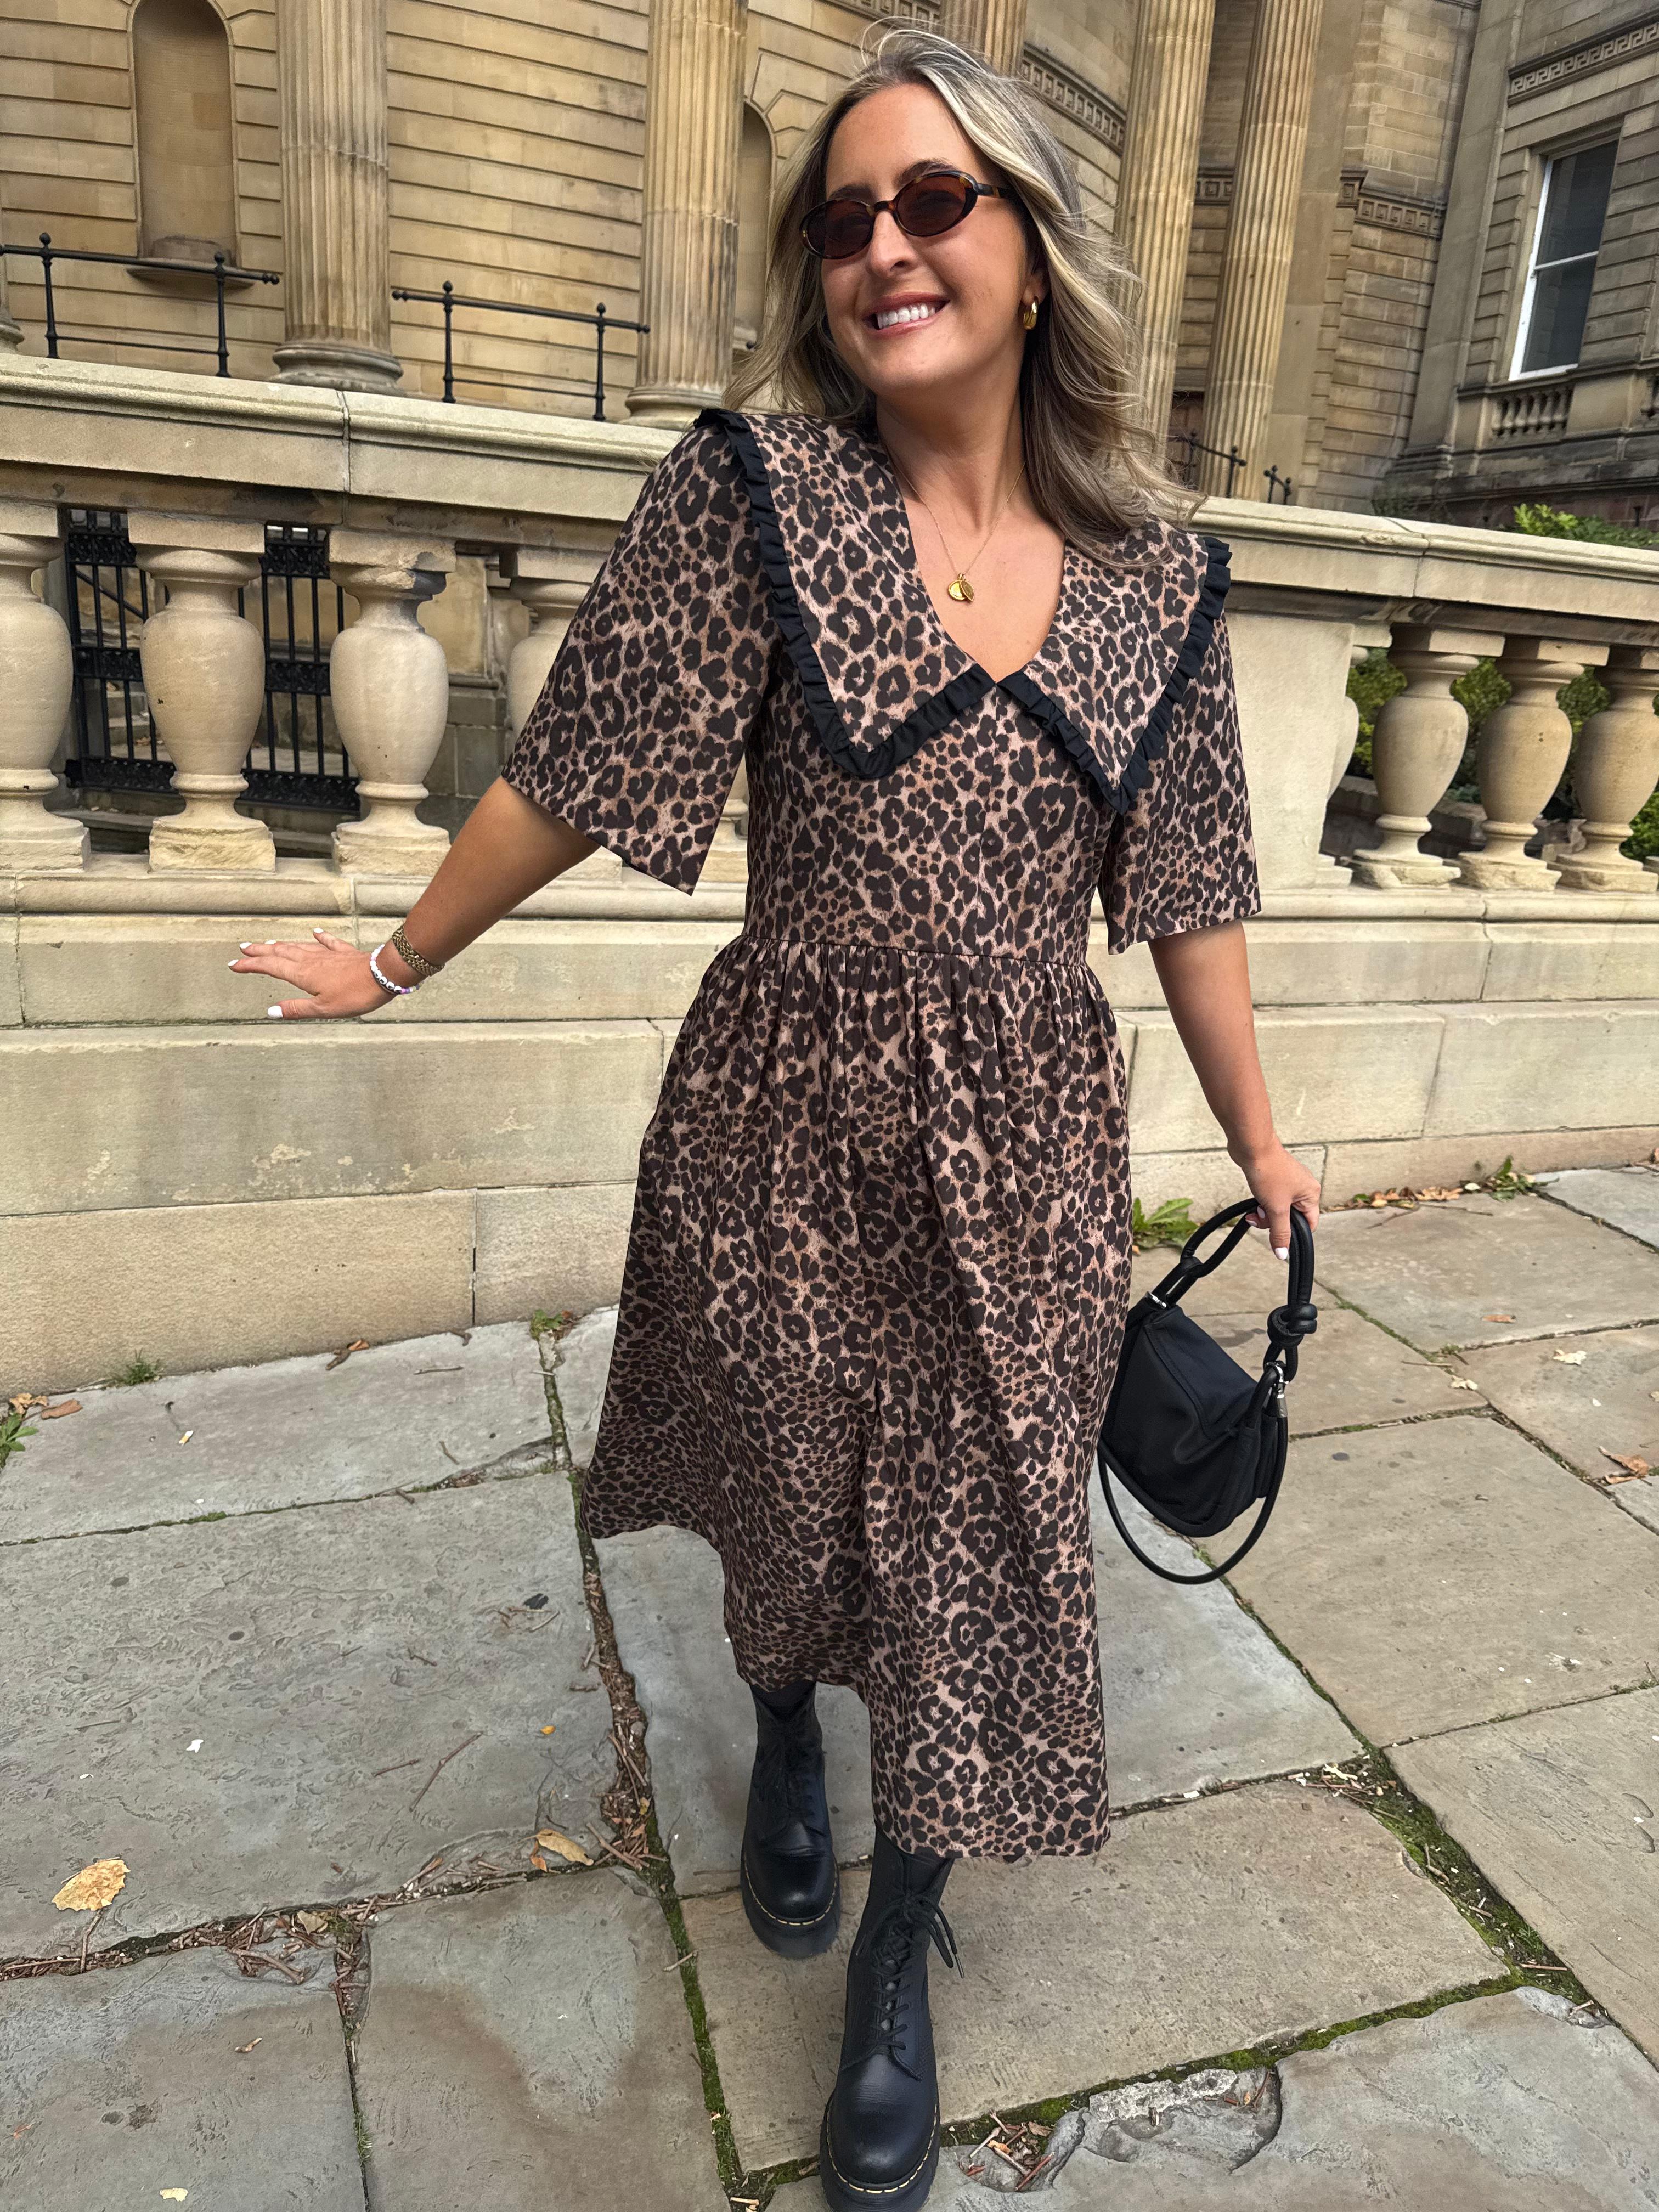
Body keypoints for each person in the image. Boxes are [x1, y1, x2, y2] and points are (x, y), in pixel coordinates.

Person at [233, 27, 1320, 2211]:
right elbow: (575, 764)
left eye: (933, 204)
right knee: (793, 1488)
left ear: (1030, 247)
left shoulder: (1155, 583)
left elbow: (1190, 891)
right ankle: (789, 1735)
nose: (884, 250)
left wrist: (1264, 1139)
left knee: (981, 1543)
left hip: (1026, 1147)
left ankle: (902, 1952)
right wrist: (397, 957)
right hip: (785, 1112)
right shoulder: (758, 497)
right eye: (844, 221)